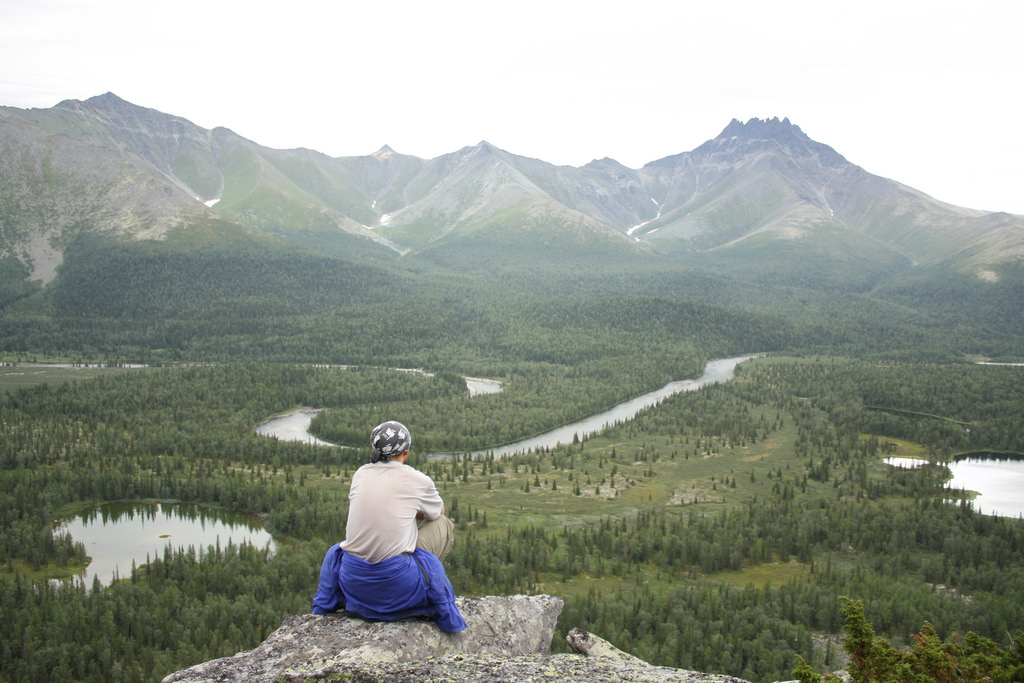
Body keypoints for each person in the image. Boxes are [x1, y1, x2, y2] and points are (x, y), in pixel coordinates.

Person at [311, 420, 467, 632]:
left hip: (355, 581)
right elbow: (437, 513)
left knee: (336, 550)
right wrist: (412, 512)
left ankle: (328, 604)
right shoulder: (417, 479)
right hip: (399, 584)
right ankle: (417, 593)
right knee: (443, 524)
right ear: (406, 453)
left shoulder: (361, 474)